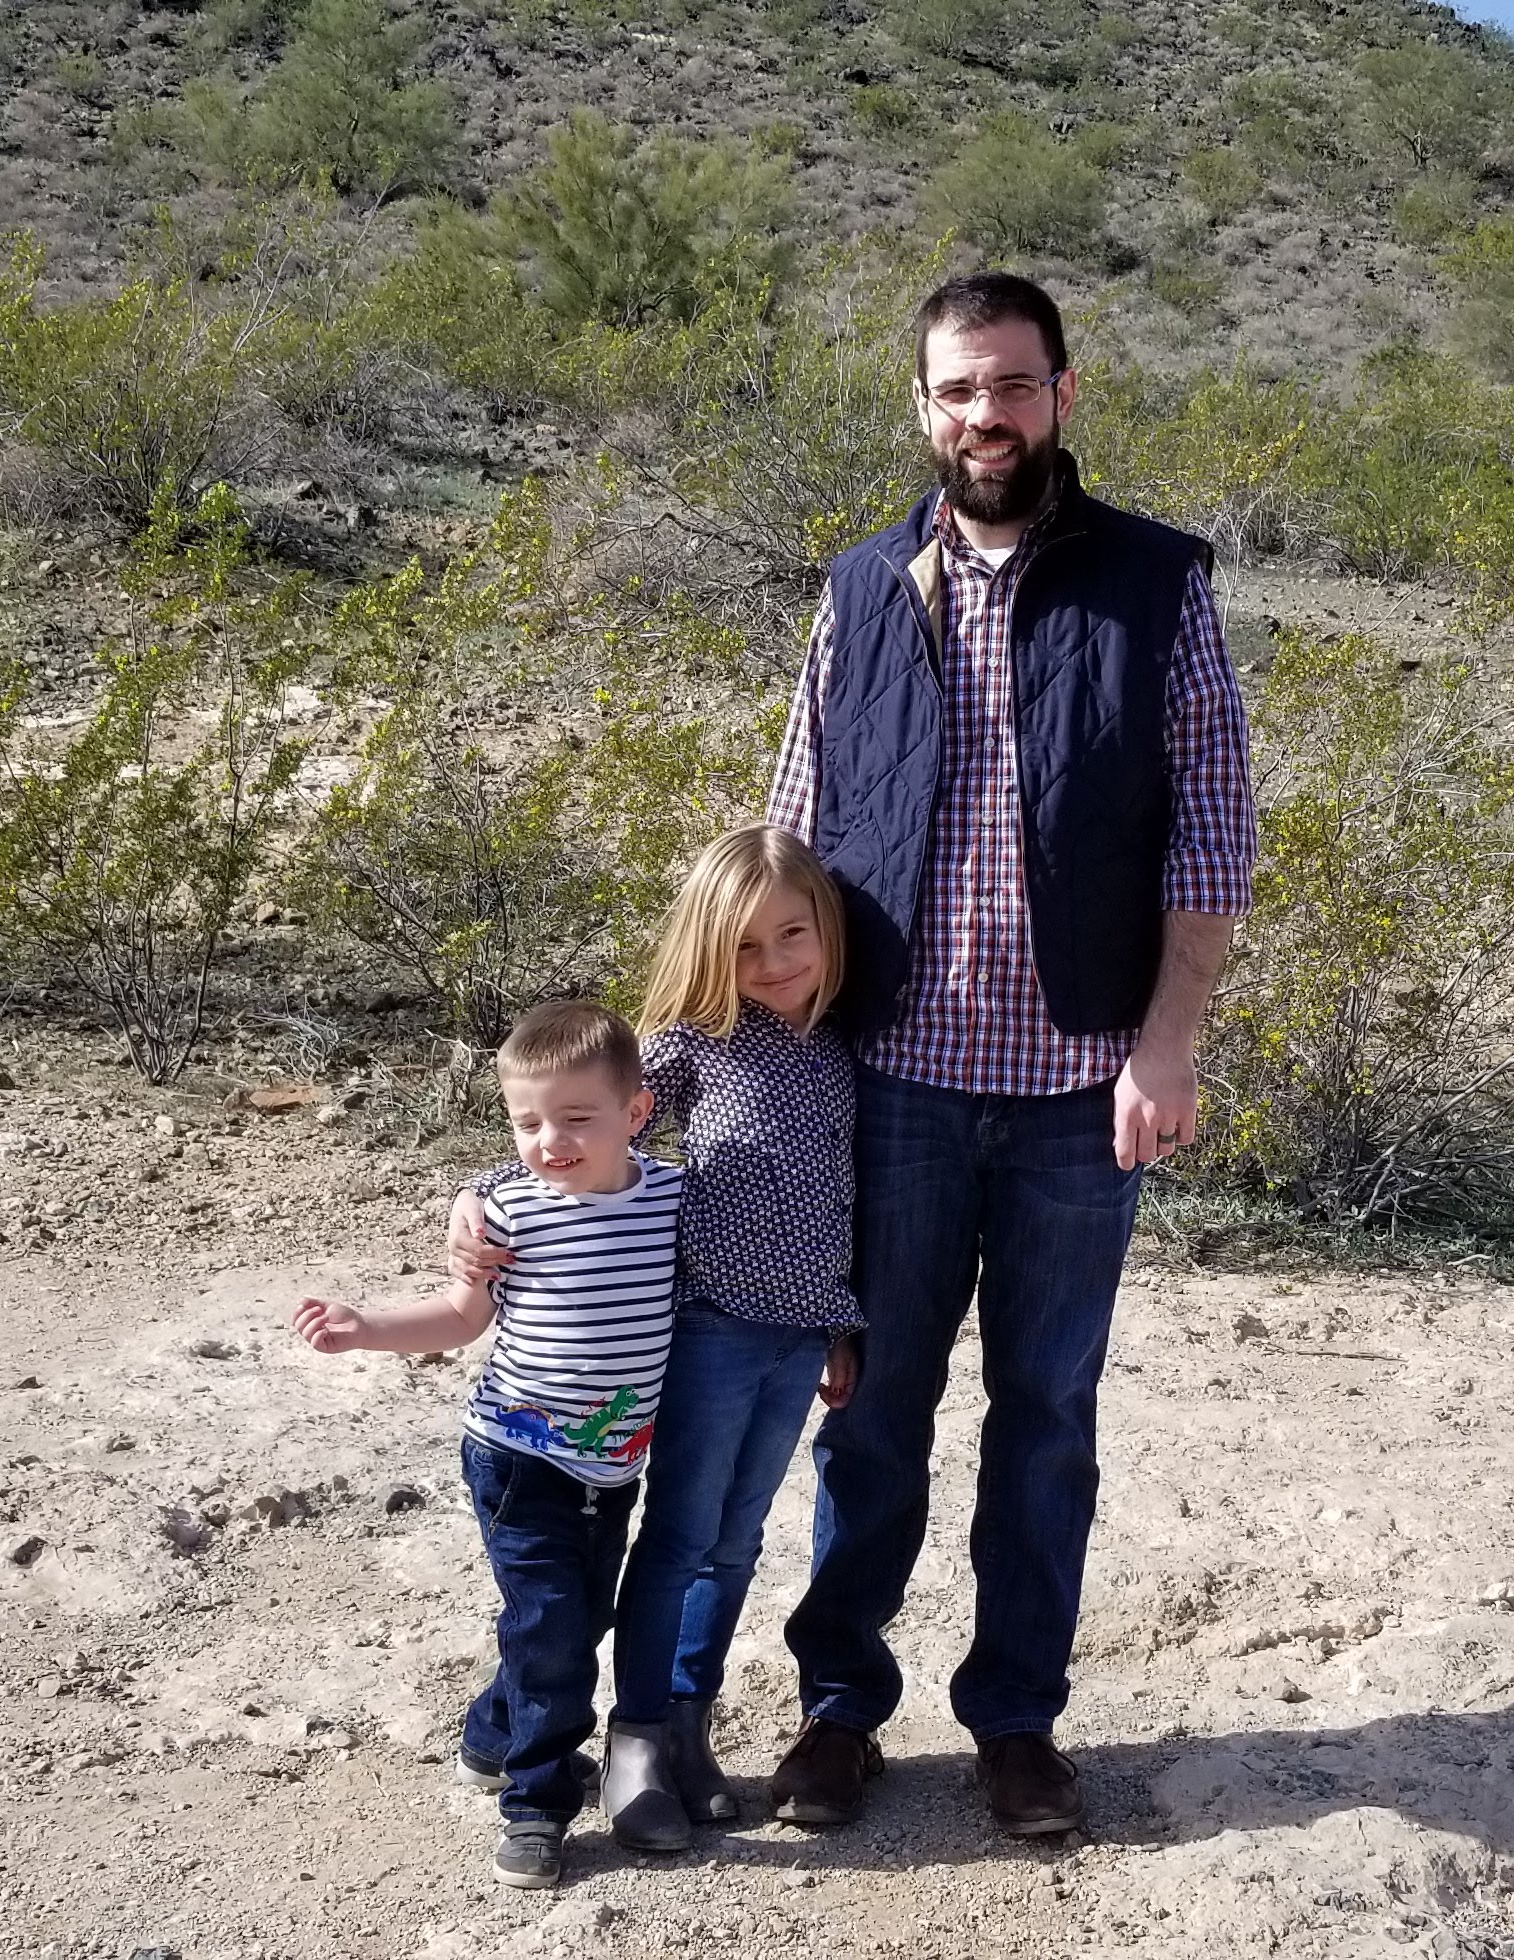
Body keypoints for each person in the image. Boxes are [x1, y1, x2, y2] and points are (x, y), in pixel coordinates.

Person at [761, 271, 1258, 1838]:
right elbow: (787, 836)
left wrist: (1166, 1047)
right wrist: (747, 1071)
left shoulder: (1156, 585)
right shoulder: (858, 591)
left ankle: (1018, 1723)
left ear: (1062, 391)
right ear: (922, 404)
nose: (990, 416)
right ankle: (839, 1707)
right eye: (961, 390)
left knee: (1046, 1418)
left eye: (1017, 385)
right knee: (874, 1405)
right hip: (892, 1081)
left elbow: (1214, 836)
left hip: (1074, 1092)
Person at [448, 827, 870, 1856]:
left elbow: (841, 1202)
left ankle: (685, 1723)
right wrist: (479, 1190)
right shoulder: (689, 1044)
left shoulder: (846, 1050)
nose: (771, 963)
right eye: (743, 946)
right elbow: (581, 1129)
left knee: (736, 1542)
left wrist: (841, 1324)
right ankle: (632, 1735)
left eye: (791, 935)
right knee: (679, 1539)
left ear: (827, 931)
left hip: (798, 1340)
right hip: (708, 1334)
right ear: (706, 950)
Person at [290, 1001, 682, 1891]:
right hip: (518, 1458)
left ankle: (487, 1738)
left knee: (574, 1622)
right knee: (552, 1632)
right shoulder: (504, 1210)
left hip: (613, 1465)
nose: (550, 1141)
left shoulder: (669, 1198)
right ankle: (537, 1804)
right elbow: (462, 1317)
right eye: (527, 1122)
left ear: (636, 1112)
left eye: (577, 1119)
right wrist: (366, 1328)